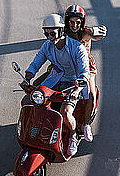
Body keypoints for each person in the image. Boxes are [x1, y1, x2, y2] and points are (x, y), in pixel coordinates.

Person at [22, 13, 90, 157]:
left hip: (73, 84)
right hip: (55, 80)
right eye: (46, 33)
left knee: (66, 112)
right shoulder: (47, 46)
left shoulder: (77, 48)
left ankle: (73, 136)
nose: (49, 37)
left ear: (60, 31)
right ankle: (31, 130)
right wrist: (28, 77)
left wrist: (77, 90)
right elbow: (36, 63)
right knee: (27, 101)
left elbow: (85, 73)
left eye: (52, 33)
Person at [64, 5, 107, 143]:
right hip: (68, 65)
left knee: (90, 93)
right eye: (72, 22)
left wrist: (101, 32)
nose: (75, 25)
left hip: (86, 68)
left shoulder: (85, 32)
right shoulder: (63, 33)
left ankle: (86, 124)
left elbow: (96, 35)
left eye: (78, 22)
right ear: (67, 22)